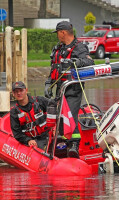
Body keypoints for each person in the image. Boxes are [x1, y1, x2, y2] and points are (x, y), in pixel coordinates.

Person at [44, 21, 94, 158]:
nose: (57, 36)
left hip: (73, 90)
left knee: (70, 117)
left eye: (58, 33)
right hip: (60, 90)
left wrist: (78, 62)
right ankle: (64, 145)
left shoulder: (79, 48)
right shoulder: (58, 49)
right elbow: (53, 68)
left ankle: (74, 145)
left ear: (63, 32)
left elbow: (90, 62)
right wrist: (48, 83)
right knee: (59, 119)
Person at [10, 81, 52, 149]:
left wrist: (55, 127)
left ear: (26, 90)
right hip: (33, 140)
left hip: (47, 134)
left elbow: (54, 109)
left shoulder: (40, 101)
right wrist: (28, 140)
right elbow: (17, 134)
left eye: (21, 90)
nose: (19, 93)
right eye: (16, 91)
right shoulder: (14, 112)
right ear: (13, 94)